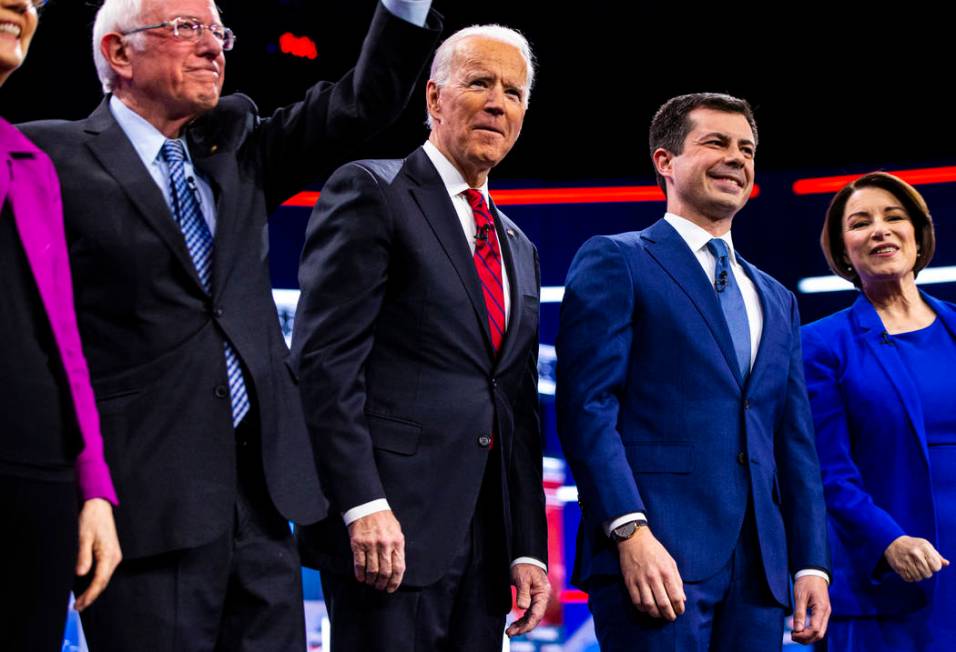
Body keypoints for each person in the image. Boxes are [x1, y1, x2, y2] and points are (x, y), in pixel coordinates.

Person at [18, 0, 440, 649]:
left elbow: (359, 103)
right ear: (118, 54)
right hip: (143, 515)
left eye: (218, 31)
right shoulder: (50, 159)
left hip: (263, 511)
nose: (213, 46)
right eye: (186, 29)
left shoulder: (236, 149)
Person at [291, 24, 550, 652]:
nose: (497, 102)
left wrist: (528, 548)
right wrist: (360, 503)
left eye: (513, 92)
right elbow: (325, 367)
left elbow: (511, 403)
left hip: (486, 548)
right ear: (434, 98)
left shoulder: (518, 246)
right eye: (480, 83)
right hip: (387, 531)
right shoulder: (371, 192)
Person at [556, 92, 831, 650]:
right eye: (716, 143)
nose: (736, 158)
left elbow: (793, 443)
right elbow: (588, 409)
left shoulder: (776, 298)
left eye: (747, 149)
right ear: (665, 161)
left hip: (759, 574)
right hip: (656, 558)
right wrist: (628, 530)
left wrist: (810, 564)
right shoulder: (618, 258)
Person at [0, 1, 121, 650]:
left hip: (35, 482)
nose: (23, 3)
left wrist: (93, 488)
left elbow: (64, 345)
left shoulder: (32, 165)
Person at [802, 171, 955, 651]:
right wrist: (888, 541)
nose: (880, 230)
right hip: (887, 576)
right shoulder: (821, 344)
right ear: (843, 249)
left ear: (918, 233)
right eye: (861, 222)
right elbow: (827, 471)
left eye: (894, 217)